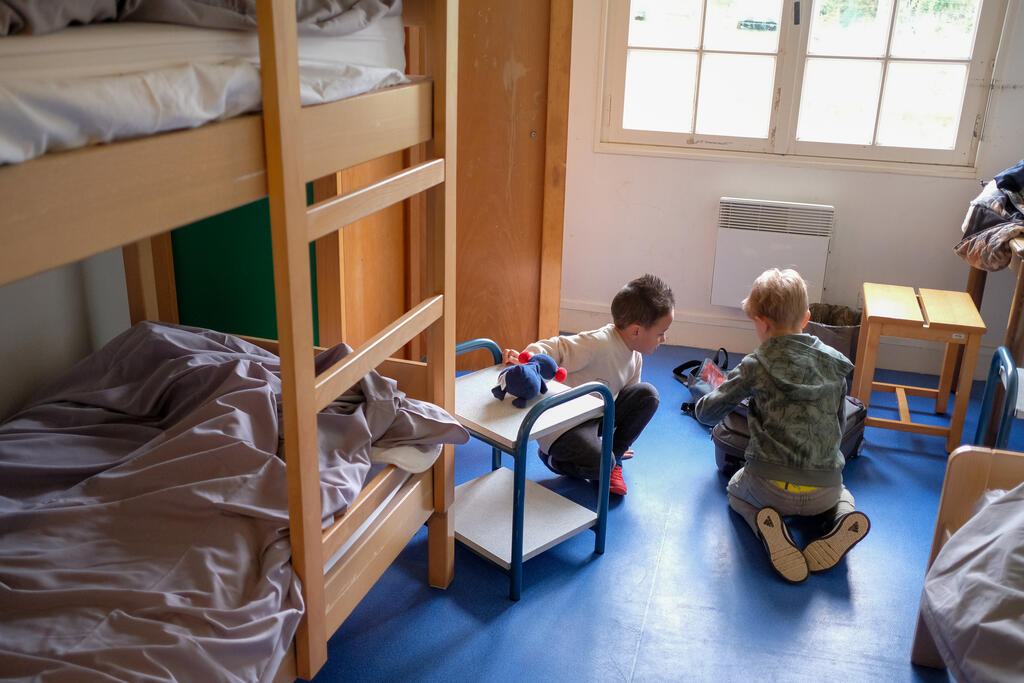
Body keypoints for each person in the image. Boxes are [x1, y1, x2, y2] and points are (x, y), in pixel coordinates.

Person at [694, 268, 869, 583]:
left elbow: (707, 414)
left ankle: (767, 527)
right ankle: (841, 518)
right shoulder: (834, 361)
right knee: (844, 494)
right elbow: (838, 424)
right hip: (824, 488)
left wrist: (707, 395)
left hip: (769, 487)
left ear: (762, 323)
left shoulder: (757, 364)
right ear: (806, 318)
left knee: (735, 491)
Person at [502, 274, 675, 496]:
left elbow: (628, 404)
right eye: (660, 333)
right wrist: (527, 361)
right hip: (562, 427)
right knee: (601, 463)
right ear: (636, 331)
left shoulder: (635, 357)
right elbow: (556, 347)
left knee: (648, 395)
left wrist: (614, 447)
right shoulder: (598, 344)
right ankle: (554, 460)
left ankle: (613, 459)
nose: (664, 339)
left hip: (595, 417)